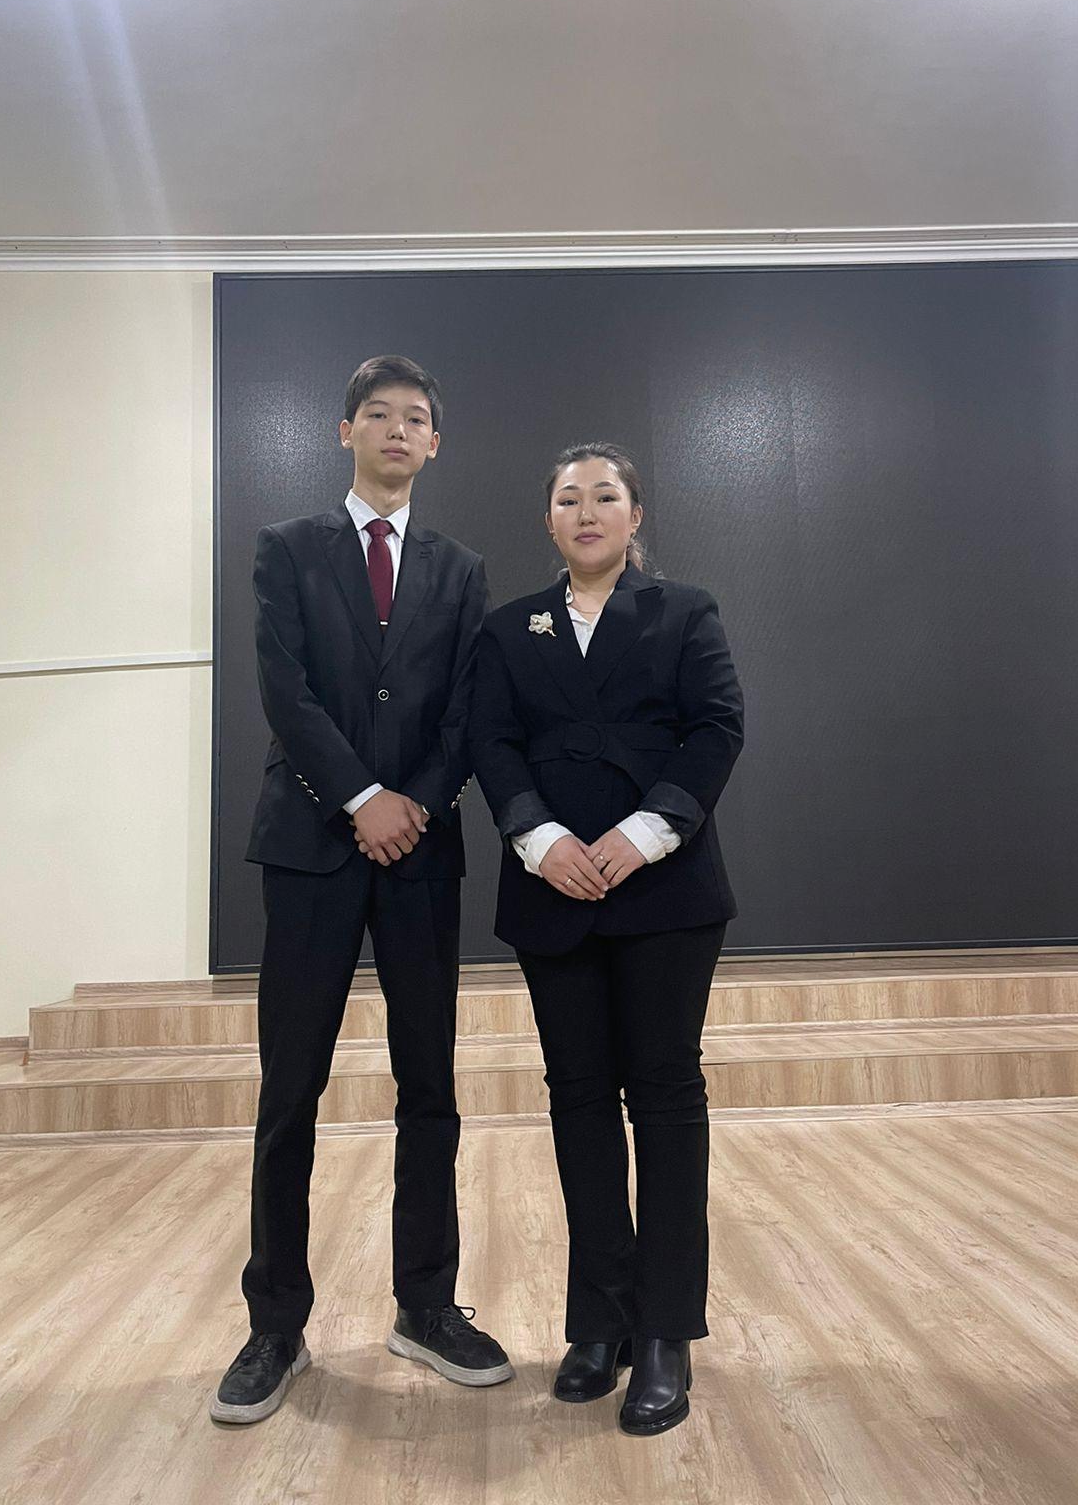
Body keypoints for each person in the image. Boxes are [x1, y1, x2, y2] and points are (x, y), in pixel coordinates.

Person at [211, 355, 512, 1425]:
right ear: (345, 432)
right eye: (377, 414)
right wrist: (360, 798)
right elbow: (286, 694)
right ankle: (274, 1325)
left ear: (434, 443)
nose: (396, 429)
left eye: (415, 417)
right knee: (288, 1089)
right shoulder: (286, 549)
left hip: (420, 853)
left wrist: (413, 803)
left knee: (429, 1086)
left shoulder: (460, 568)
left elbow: (466, 712)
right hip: (311, 847)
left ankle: (425, 1306)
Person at [469, 442, 743, 1437]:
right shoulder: (510, 628)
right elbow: (491, 742)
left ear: (635, 515)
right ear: (548, 519)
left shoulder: (685, 612)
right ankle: (600, 1320)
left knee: (664, 1097)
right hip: (554, 891)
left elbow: (716, 729)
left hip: (664, 887)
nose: (585, 511)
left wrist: (645, 832)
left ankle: (665, 1330)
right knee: (578, 1099)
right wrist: (541, 841)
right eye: (567, 498)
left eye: (605, 496)